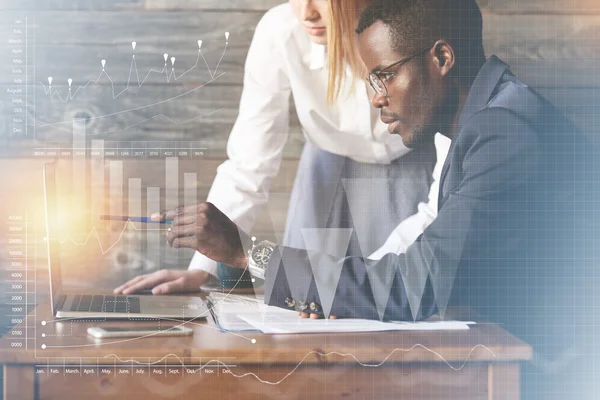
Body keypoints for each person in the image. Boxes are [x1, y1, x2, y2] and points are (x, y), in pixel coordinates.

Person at [153, 0, 598, 397]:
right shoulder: (481, 119)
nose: (375, 98)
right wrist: (332, 295)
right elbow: (423, 249)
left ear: (442, 58)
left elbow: (411, 286)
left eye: (384, 75)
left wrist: (245, 251)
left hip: (555, 371)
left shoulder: (503, 136)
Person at [114, 0, 446, 296]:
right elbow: (249, 163)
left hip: (420, 170)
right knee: (308, 302)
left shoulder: (420, 24)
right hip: (327, 178)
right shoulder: (280, 31)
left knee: (407, 302)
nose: (308, 12)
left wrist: (369, 286)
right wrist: (204, 266)